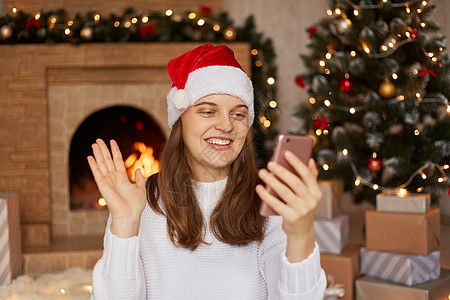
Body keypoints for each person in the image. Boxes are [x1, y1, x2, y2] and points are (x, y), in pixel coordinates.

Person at [88, 44, 326, 299]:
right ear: (180, 121)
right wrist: (124, 223)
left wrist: (302, 234)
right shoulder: (139, 201)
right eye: (208, 111)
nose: (226, 125)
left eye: (238, 114)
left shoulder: (268, 201)